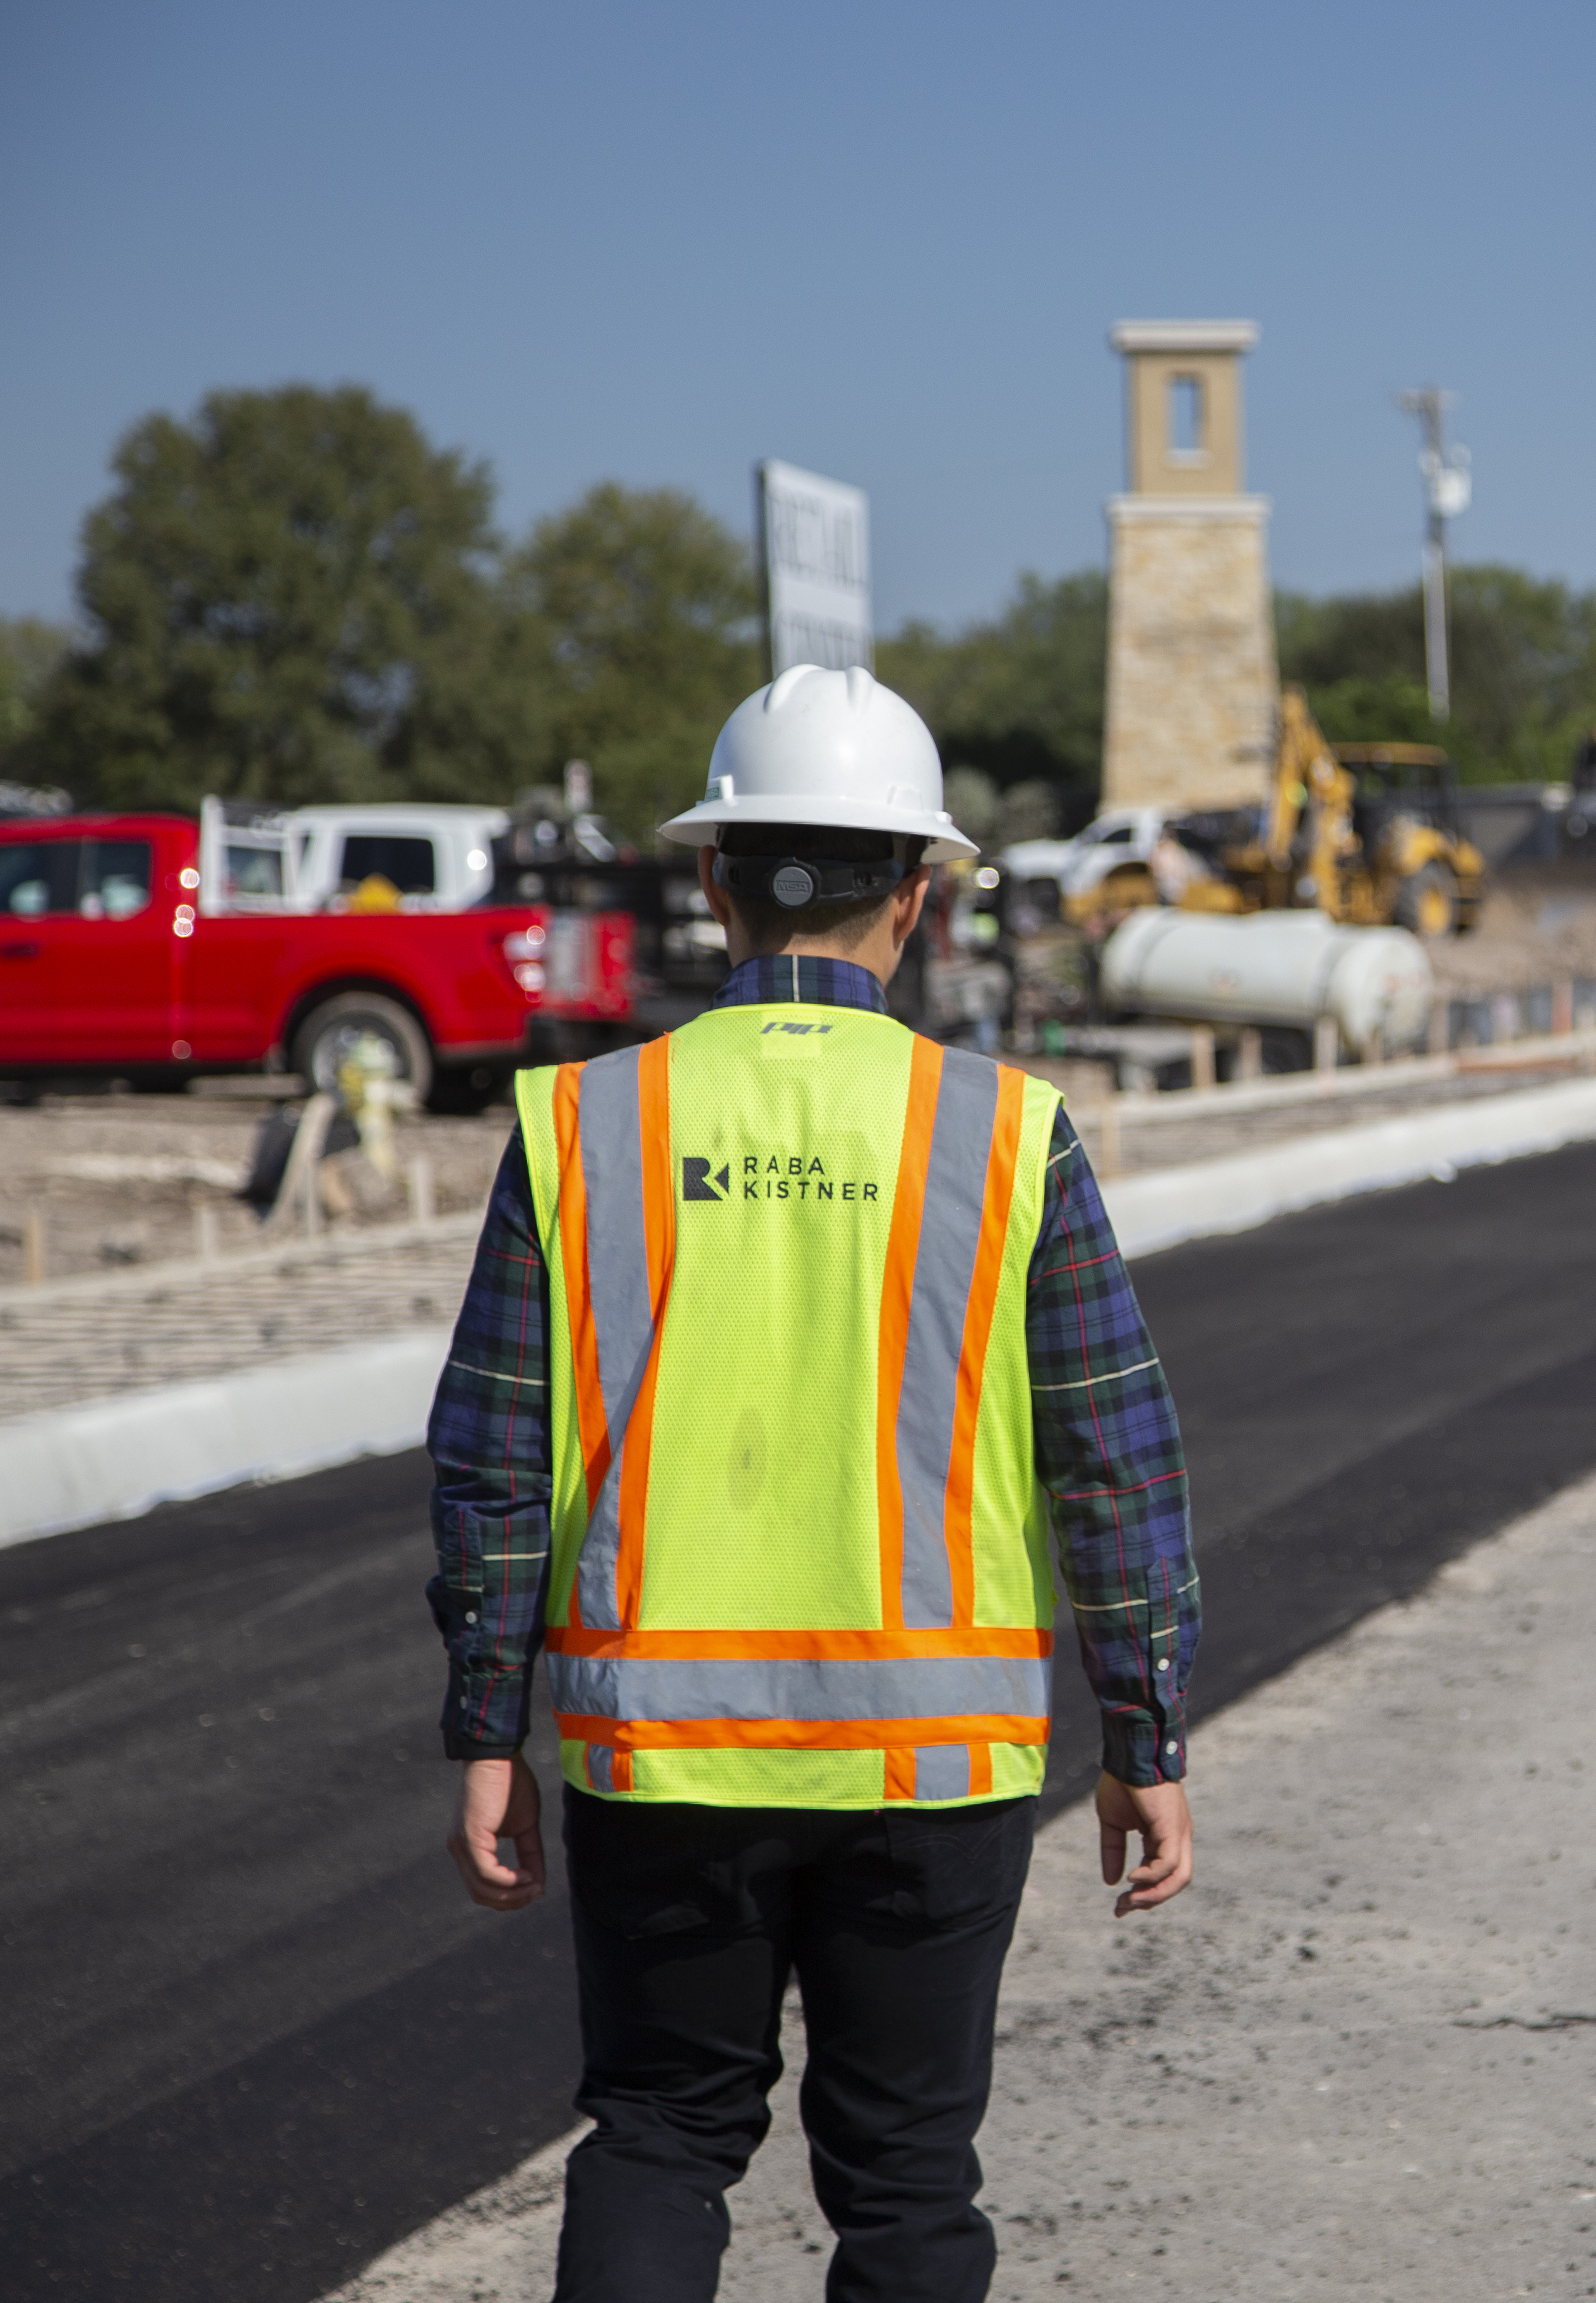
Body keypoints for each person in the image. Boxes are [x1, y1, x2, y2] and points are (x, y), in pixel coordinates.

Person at [426, 665, 1200, 2302]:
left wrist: (489, 1728)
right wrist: (1145, 1733)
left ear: (716, 882)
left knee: (658, 2137)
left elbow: (494, 1458)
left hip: (664, 1765)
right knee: (911, 2184)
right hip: (934, 1768)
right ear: (917, 895)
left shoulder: (583, 1126)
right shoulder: (1006, 1130)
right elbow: (1112, 1455)